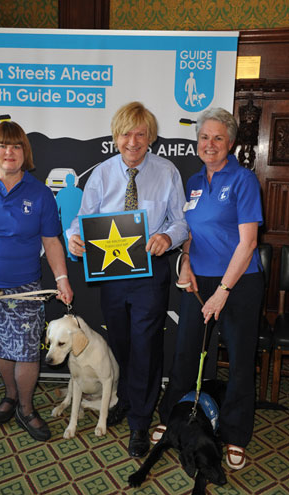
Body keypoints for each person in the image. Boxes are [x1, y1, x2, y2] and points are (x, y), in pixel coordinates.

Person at [67, 101, 188, 458]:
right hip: (112, 276)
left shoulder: (167, 172)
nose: (132, 142)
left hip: (150, 274)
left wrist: (169, 237)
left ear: (150, 138)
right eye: (125, 134)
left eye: (140, 134)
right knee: (120, 344)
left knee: (147, 347)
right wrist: (75, 238)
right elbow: (81, 219)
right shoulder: (102, 174)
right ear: (115, 136)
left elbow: (181, 221)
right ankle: (127, 400)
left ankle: (139, 421)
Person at [153, 107, 264, 470]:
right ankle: (171, 418)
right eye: (204, 137)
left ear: (230, 143)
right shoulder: (194, 182)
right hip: (198, 281)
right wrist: (185, 263)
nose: (210, 144)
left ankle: (235, 434)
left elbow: (247, 243)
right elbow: (190, 234)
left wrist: (223, 291)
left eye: (218, 138)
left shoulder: (244, 180)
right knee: (185, 352)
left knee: (239, 361)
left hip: (240, 282)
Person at [0, 121, 73, 442]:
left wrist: (62, 279)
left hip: (27, 290)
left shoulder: (39, 193)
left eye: (16, 146)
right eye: (3, 146)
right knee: (0, 345)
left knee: (25, 352)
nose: (9, 152)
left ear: (25, 152)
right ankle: (9, 395)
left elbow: (52, 241)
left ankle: (25, 407)